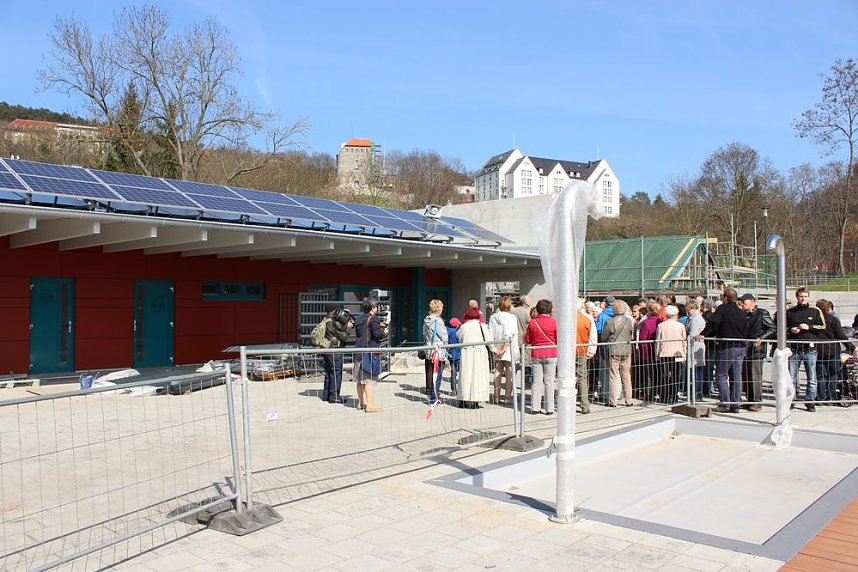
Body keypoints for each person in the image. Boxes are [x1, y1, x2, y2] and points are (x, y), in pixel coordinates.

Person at [699, 288, 748, 413]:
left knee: (721, 375)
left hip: (727, 346)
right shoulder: (741, 312)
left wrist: (703, 334)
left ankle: (725, 403)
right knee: (737, 376)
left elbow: (713, 323)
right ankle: (735, 403)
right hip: (741, 347)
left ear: (725, 298)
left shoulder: (722, 309)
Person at [784, 287, 826, 411]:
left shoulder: (815, 311)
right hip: (795, 349)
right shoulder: (790, 312)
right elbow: (782, 327)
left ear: (809, 297)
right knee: (792, 377)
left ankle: (810, 401)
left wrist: (809, 327)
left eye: (806, 296)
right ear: (797, 297)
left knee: (812, 378)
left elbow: (823, 327)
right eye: (801, 296)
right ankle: (791, 400)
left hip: (810, 349)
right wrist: (790, 330)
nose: (803, 298)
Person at [815, 299, 856, 403]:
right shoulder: (833, 320)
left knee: (821, 375)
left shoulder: (815, 321)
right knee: (833, 375)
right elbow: (841, 335)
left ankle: (821, 397)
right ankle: (832, 396)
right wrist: (852, 347)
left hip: (820, 351)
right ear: (828, 308)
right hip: (833, 351)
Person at [739, 293, 775, 411]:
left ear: (752, 302)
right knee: (747, 375)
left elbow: (772, 328)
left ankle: (757, 401)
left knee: (755, 375)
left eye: (745, 303)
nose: (743, 305)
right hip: (746, 348)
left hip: (757, 349)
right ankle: (749, 399)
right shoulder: (743, 315)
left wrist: (762, 338)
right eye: (742, 303)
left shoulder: (762, 313)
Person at [353, 298, 387, 413]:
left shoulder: (358, 318)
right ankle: (370, 405)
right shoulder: (374, 319)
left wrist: (377, 325)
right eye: (376, 306)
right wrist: (384, 332)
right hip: (369, 353)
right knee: (369, 380)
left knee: (360, 380)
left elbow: (363, 330)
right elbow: (376, 334)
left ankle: (360, 403)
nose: (377, 308)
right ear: (373, 308)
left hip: (358, 351)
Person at [525, 298, 557, 415]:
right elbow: (557, 338)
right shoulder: (554, 322)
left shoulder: (532, 322)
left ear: (537, 309)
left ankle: (535, 407)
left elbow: (527, 339)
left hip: (536, 353)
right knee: (549, 381)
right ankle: (550, 408)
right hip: (551, 353)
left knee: (536, 381)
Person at [601, 299, 635, 406]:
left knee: (613, 375)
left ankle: (613, 401)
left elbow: (604, 337)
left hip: (614, 350)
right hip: (626, 349)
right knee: (626, 375)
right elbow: (631, 335)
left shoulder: (610, 322)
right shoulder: (629, 321)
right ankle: (628, 400)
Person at [456, 308, 491, 407]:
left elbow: (459, 336)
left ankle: (463, 399)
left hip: (466, 351)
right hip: (479, 352)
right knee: (478, 376)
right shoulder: (482, 326)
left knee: (465, 375)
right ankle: (475, 400)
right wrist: (494, 349)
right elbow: (488, 339)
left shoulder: (464, 326)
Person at [488, 296, 518, 404]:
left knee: (497, 371)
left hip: (497, 346)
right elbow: (510, 333)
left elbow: (489, 333)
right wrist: (504, 348)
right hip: (509, 348)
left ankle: (496, 396)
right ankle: (507, 397)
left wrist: (494, 348)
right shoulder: (512, 318)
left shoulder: (493, 317)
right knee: (509, 372)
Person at [656, 305, 687, 404]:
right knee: (676, 375)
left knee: (664, 375)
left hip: (664, 353)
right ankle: (674, 397)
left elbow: (657, 341)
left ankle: (664, 396)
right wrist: (684, 354)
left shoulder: (661, 326)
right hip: (677, 354)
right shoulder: (680, 326)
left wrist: (657, 354)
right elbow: (684, 341)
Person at [322, 306, 352, 404]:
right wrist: (348, 328)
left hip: (326, 350)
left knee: (328, 372)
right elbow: (344, 337)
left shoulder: (326, 320)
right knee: (336, 372)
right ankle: (334, 397)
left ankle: (326, 395)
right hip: (335, 350)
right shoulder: (333, 323)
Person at [423, 299, 449, 404]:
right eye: (441, 307)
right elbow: (444, 337)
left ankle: (433, 394)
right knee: (438, 374)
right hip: (438, 350)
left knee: (432, 372)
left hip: (429, 349)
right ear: (438, 309)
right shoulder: (438, 322)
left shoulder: (427, 320)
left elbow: (424, 334)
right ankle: (434, 397)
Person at [637, 302, 662, 401]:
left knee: (647, 374)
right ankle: (656, 392)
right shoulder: (660, 321)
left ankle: (648, 394)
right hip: (657, 352)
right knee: (657, 373)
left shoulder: (646, 323)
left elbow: (642, 339)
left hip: (647, 352)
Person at [594, 296, 616, 403]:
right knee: (616, 372)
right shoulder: (619, 315)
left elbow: (598, 331)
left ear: (606, 303)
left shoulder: (602, 316)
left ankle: (605, 393)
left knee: (604, 371)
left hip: (604, 346)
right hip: (617, 347)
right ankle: (616, 394)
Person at [684, 300, 707, 401]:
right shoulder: (692, 317)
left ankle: (697, 393)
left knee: (697, 371)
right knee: (696, 370)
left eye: (688, 310)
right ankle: (695, 392)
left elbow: (693, 333)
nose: (687, 312)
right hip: (694, 345)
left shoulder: (696, 319)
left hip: (695, 346)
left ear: (693, 309)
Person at [576, 298, 594, 414]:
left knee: (567, 378)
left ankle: (567, 401)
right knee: (582, 378)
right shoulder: (586, 319)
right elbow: (591, 336)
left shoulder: (565, 319)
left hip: (567, 351)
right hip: (581, 350)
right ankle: (584, 404)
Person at [446, 318, 462, 394]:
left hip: (451, 354)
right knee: (461, 372)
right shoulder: (456, 332)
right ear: (456, 325)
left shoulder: (447, 331)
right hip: (458, 354)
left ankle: (453, 390)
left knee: (453, 373)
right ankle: (461, 389)